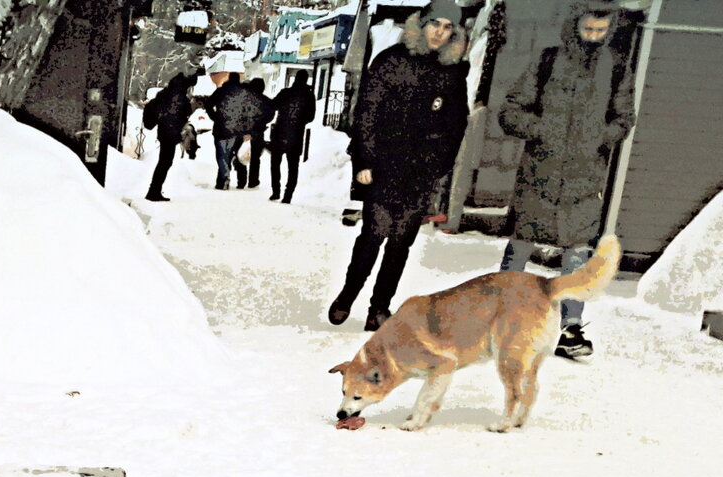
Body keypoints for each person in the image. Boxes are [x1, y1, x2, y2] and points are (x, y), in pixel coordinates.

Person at [497, 1, 634, 359]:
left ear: (609, 30)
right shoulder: (547, 60)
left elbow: (624, 117)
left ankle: (571, 330)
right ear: (575, 25)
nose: (592, 37)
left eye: (600, 32)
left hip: (584, 178)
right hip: (539, 173)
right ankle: (498, 318)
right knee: (520, 248)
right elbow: (511, 110)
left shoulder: (616, 67)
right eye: (588, 29)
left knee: (577, 253)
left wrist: (601, 136)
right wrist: (541, 129)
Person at [328, 0, 469, 332]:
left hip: (419, 172)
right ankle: (348, 295)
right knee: (373, 234)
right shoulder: (391, 61)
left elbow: (455, 126)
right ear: (421, 24)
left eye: (449, 27)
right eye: (436, 24)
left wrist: (437, 166)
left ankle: (380, 307)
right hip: (382, 165)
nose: (440, 32)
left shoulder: (452, 73)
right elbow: (367, 113)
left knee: (400, 242)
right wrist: (363, 160)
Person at [143, 71, 196, 201]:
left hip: (163, 133)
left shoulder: (164, 95)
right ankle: (153, 191)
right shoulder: (180, 97)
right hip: (171, 134)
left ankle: (154, 190)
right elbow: (186, 112)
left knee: (164, 162)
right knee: (165, 163)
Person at [268, 69, 316, 204]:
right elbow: (311, 117)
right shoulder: (309, 96)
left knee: (275, 163)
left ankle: (275, 191)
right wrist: (300, 121)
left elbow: (273, 105)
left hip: (280, 132)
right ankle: (288, 195)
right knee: (293, 167)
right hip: (296, 135)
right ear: (306, 80)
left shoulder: (285, 93)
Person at [205, 72, 244, 190]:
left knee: (221, 156)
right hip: (235, 129)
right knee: (226, 155)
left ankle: (225, 177)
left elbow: (208, 104)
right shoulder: (242, 94)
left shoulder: (221, 91)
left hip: (220, 127)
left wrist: (215, 117)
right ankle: (221, 181)